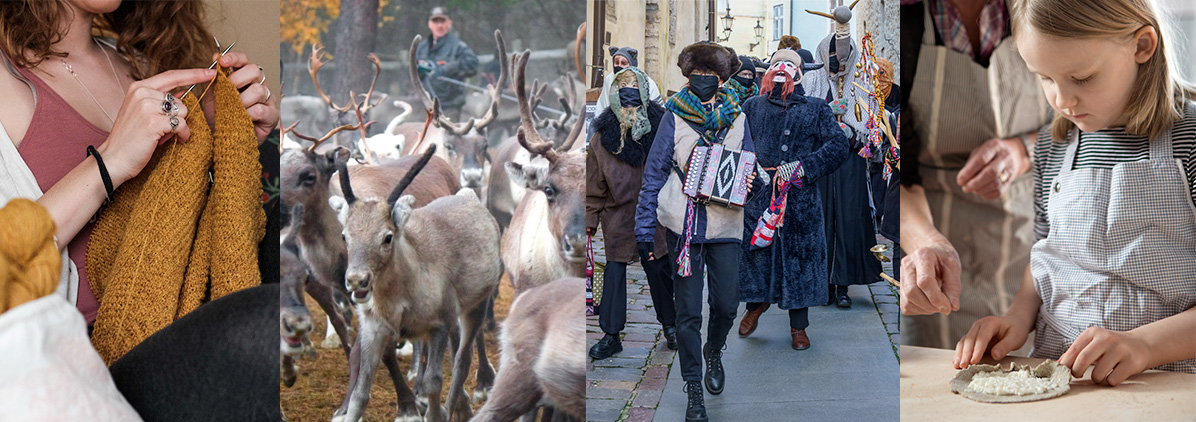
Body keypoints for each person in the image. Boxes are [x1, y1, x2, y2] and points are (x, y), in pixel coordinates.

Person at [0, 0, 278, 418]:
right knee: (263, 321)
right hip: (88, 364)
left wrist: (219, 144)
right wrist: (110, 161)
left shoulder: (147, 66)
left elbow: (186, 238)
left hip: (181, 320)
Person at [954, 0, 1196, 382]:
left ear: (1142, 46)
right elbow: (1047, 253)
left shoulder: (1189, 138)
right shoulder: (1053, 148)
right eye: (1044, 78)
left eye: (1081, 78)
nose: (1061, 101)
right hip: (1060, 380)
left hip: (1168, 383)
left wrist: (1145, 345)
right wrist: (1018, 317)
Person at [899, 0, 1049, 350]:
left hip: (1037, 228)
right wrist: (926, 244)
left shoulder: (1056, 8)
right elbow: (896, 167)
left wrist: (1025, 149)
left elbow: (1096, 110)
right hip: (938, 229)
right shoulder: (903, 20)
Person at [635, 42, 754, 422]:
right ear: (688, 78)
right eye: (696, 76)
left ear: (721, 80)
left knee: (726, 305)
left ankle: (714, 350)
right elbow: (654, 174)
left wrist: (749, 181)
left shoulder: (738, 117)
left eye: (710, 76)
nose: (702, 81)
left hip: (725, 225)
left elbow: (748, 164)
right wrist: (643, 230)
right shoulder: (672, 117)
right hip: (683, 226)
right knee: (687, 313)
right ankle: (692, 391)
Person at [737, 49, 848, 350]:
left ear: (800, 73)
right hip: (760, 194)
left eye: (789, 65)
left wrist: (804, 168)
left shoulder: (815, 108)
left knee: (799, 260)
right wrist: (751, 172)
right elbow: (737, 143)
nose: (781, 69)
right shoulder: (752, 106)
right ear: (768, 71)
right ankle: (755, 306)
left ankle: (799, 326)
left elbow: (838, 145)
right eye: (776, 64)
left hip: (800, 199)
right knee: (758, 254)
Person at [586, 67, 675, 360]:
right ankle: (611, 334)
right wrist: (589, 220)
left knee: (659, 269)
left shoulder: (662, 126)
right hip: (619, 214)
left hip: (654, 212)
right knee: (614, 272)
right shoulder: (602, 137)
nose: (628, 91)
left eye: (634, 86)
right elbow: (594, 183)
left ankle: (671, 325)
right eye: (622, 85)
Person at [802, 28, 882, 308]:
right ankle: (822, 283)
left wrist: (850, 129)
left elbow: (871, 122)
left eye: (845, 56)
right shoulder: (812, 79)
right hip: (821, 161)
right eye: (835, 55)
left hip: (849, 160)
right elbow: (805, 119)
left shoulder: (861, 80)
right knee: (821, 219)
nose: (840, 62)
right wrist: (826, 118)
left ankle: (844, 284)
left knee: (848, 220)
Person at [414, 6, 479, 120]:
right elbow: (412, 71)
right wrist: (419, 70)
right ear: (430, 24)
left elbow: (473, 63)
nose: (439, 25)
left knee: (447, 137)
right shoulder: (421, 47)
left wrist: (447, 68)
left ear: (449, 23)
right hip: (425, 107)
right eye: (435, 21)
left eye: (442, 21)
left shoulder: (457, 45)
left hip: (450, 107)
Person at [595, 46, 662, 111]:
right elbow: (603, 104)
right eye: (617, 62)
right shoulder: (609, 79)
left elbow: (657, 109)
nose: (619, 66)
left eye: (624, 63)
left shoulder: (646, 82)